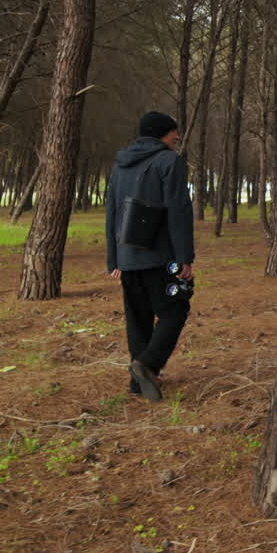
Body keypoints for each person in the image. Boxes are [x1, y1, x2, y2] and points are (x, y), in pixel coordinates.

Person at [104, 111, 195, 402]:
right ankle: (147, 364)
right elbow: (179, 211)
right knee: (175, 309)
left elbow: (112, 213)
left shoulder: (120, 166)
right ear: (160, 133)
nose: (177, 137)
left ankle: (137, 383)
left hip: (128, 257)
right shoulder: (170, 161)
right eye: (173, 132)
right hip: (162, 257)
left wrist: (114, 259)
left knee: (138, 318)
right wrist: (184, 257)